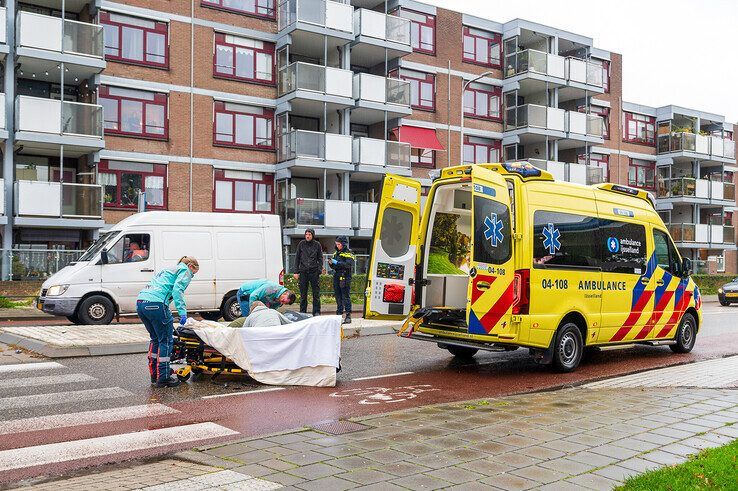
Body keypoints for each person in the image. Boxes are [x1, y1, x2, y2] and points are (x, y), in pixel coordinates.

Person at [137, 256, 199, 388]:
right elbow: (177, 290)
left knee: (155, 339)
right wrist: (182, 313)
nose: (192, 276)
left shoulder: (168, 269)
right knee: (165, 340)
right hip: (156, 304)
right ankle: (164, 377)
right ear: (191, 266)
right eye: (194, 273)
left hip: (141, 302)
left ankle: (154, 374)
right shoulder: (184, 270)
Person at [293, 228, 323, 316]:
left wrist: (319, 270)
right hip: (303, 272)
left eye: (309, 234)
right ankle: (302, 312)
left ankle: (316, 312)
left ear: (313, 235)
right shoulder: (301, 244)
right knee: (303, 294)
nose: (308, 236)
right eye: (306, 234)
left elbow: (320, 258)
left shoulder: (317, 244)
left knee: (316, 294)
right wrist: (296, 271)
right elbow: (297, 258)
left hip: (314, 272)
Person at [329, 235, 355, 324]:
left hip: (345, 277)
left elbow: (348, 265)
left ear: (343, 244)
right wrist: (331, 263)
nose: (337, 246)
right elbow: (334, 266)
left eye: (339, 244)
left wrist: (338, 263)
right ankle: (339, 314)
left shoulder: (349, 253)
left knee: (345, 296)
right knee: (338, 296)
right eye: (336, 244)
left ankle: (348, 316)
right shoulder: (335, 253)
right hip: (336, 276)